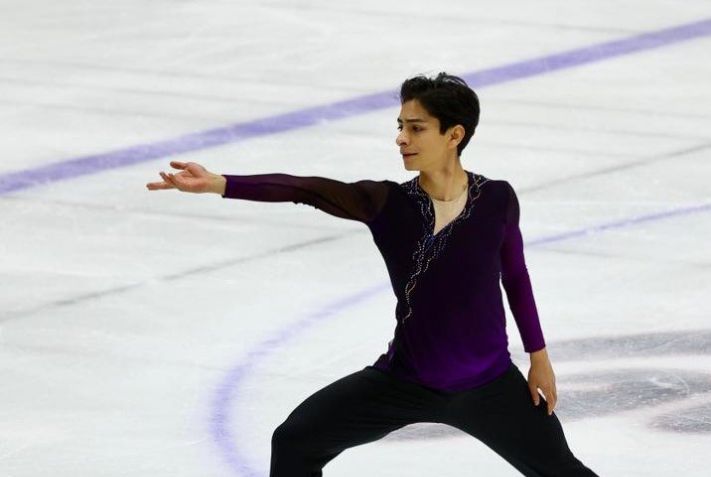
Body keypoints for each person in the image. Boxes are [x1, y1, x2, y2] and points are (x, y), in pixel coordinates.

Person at [146, 72, 598, 476]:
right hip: (403, 381)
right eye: (400, 126)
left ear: (454, 134)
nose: (401, 138)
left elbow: (514, 276)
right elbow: (305, 189)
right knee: (295, 441)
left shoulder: (497, 199)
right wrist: (221, 183)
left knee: (563, 472)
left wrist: (539, 358)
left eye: (416, 127)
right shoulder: (386, 204)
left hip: (489, 384)